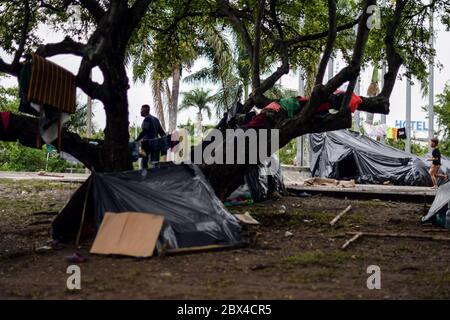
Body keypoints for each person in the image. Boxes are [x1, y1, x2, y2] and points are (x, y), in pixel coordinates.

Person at [135, 104, 166, 168]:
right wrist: (164, 142)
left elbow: (144, 131)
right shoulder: (156, 119)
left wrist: (136, 140)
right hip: (156, 144)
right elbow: (162, 133)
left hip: (147, 144)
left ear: (145, 110)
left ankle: (145, 177)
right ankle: (157, 177)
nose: (140, 111)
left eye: (141, 109)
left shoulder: (147, 119)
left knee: (144, 161)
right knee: (155, 163)